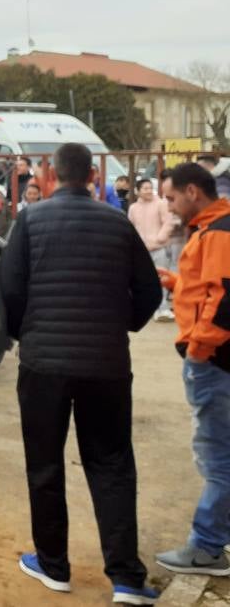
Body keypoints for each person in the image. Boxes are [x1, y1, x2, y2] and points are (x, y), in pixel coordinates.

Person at [0, 142, 161, 603]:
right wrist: (121, 323)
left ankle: (53, 566)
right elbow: (148, 292)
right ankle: (127, 578)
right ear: (92, 175)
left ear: (52, 177)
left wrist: (23, 334)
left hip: (44, 365)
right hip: (107, 365)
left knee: (45, 463)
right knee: (112, 464)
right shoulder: (117, 223)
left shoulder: (29, 221)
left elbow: (9, 289)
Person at [155, 162, 230, 576]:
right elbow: (209, 287)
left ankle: (206, 547)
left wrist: (198, 349)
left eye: (171, 197)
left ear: (192, 192)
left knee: (216, 455)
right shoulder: (214, 228)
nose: (169, 206)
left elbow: (225, 298)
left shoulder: (218, 232)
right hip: (217, 359)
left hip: (214, 361)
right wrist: (174, 282)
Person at [127, 178, 176, 322]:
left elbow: (168, 222)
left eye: (150, 188)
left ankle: (163, 309)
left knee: (162, 279)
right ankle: (150, 310)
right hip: (141, 250)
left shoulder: (161, 204)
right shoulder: (133, 208)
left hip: (159, 248)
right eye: (145, 188)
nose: (148, 191)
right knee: (143, 281)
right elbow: (131, 227)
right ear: (138, 191)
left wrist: (160, 238)